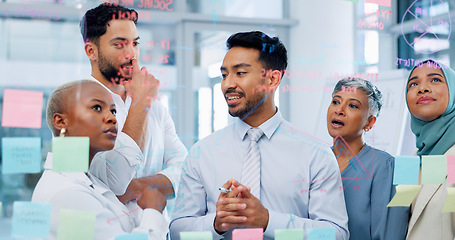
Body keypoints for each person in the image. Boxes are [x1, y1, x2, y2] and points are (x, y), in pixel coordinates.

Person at [169, 31, 349, 240]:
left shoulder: (316, 154)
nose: (227, 85)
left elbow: (336, 234)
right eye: (224, 75)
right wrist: (216, 224)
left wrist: (268, 221)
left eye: (240, 73)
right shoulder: (202, 152)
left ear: (272, 79)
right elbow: (176, 232)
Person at [80, 3, 187, 209]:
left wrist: (138, 187)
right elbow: (115, 181)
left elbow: (186, 169)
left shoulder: (154, 106)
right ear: (91, 51)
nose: (132, 54)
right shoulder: (76, 108)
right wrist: (141, 104)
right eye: (120, 45)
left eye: (135, 43)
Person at [32, 80, 168, 239]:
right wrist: (153, 211)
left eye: (113, 111)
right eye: (97, 107)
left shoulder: (89, 181)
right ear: (61, 122)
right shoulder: (68, 193)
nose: (112, 118)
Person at [326, 78, 409, 240]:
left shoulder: (385, 166)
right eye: (336, 102)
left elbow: (389, 234)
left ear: (370, 122)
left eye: (352, 105)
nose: (339, 110)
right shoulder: (315, 162)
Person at [405, 60, 455, 240]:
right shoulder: (409, 161)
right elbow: (398, 223)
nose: (423, 88)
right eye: (414, 84)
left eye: (435, 80)